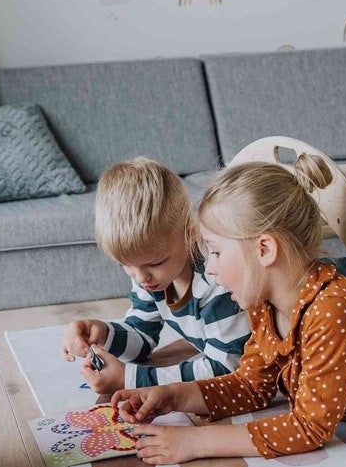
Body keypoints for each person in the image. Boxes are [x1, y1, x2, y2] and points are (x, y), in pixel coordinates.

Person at [111, 155, 346, 464]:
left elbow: (309, 428)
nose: (208, 267)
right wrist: (172, 396)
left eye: (214, 251)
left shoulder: (331, 311)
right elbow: (251, 385)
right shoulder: (265, 307)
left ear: (264, 250)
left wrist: (197, 442)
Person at [61, 158, 251, 393]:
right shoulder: (150, 275)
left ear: (190, 234)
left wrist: (132, 380)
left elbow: (226, 370)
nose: (141, 278)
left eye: (155, 263)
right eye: (125, 264)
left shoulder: (217, 283)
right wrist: (104, 333)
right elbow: (141, 340)